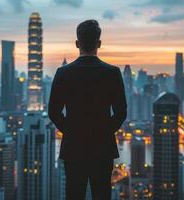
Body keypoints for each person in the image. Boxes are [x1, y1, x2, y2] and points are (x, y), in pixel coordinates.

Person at [48, 19, 127, 200]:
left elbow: (53, 111)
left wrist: (73, 131)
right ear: (99, 43)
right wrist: (103, 132)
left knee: (74, 194)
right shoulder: (112, 73)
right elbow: (121, 112)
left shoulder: (63, 73)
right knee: (102, 194)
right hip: (102, 148)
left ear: (77, 44)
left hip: (74, 148)